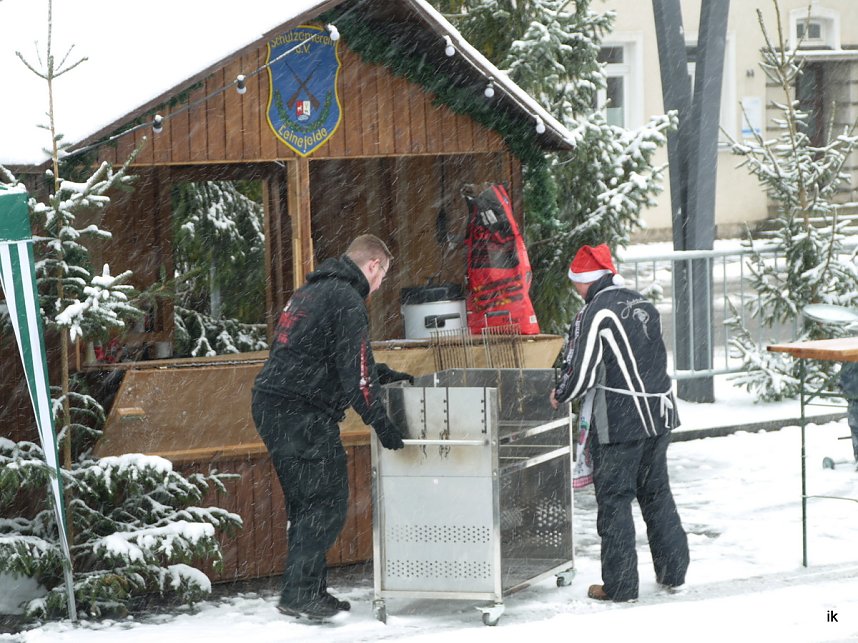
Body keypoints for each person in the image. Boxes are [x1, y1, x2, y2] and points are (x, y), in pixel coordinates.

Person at [251, 234, 411, 620]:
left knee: (307, 504)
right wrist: (382, 424)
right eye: (382, 276)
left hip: (274, 404)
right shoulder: (346, 299)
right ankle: (300, 593)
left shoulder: (312, 291)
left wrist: (381, 374)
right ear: (373, 265)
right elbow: (354, 373)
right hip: (300, 411)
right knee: (327, 502)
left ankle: (308, 590)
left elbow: (327, 356)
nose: (379, 286)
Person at [550, 243, 689, 602]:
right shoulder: (642, 302)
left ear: (586, 280)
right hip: (659, 416)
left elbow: (580, 371)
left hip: (620, 419)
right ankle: (673, 572)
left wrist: (560, 393)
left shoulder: (596, 312)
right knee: (656, 495)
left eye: (576, 282)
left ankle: (621, 585)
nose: (575, 289)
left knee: (614, 501)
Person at [840, 362, 858, 469]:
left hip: (853, 399)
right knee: (855, 428)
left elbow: (843, 380)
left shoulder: (848, 360)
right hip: (853, 399)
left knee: (855, 429)